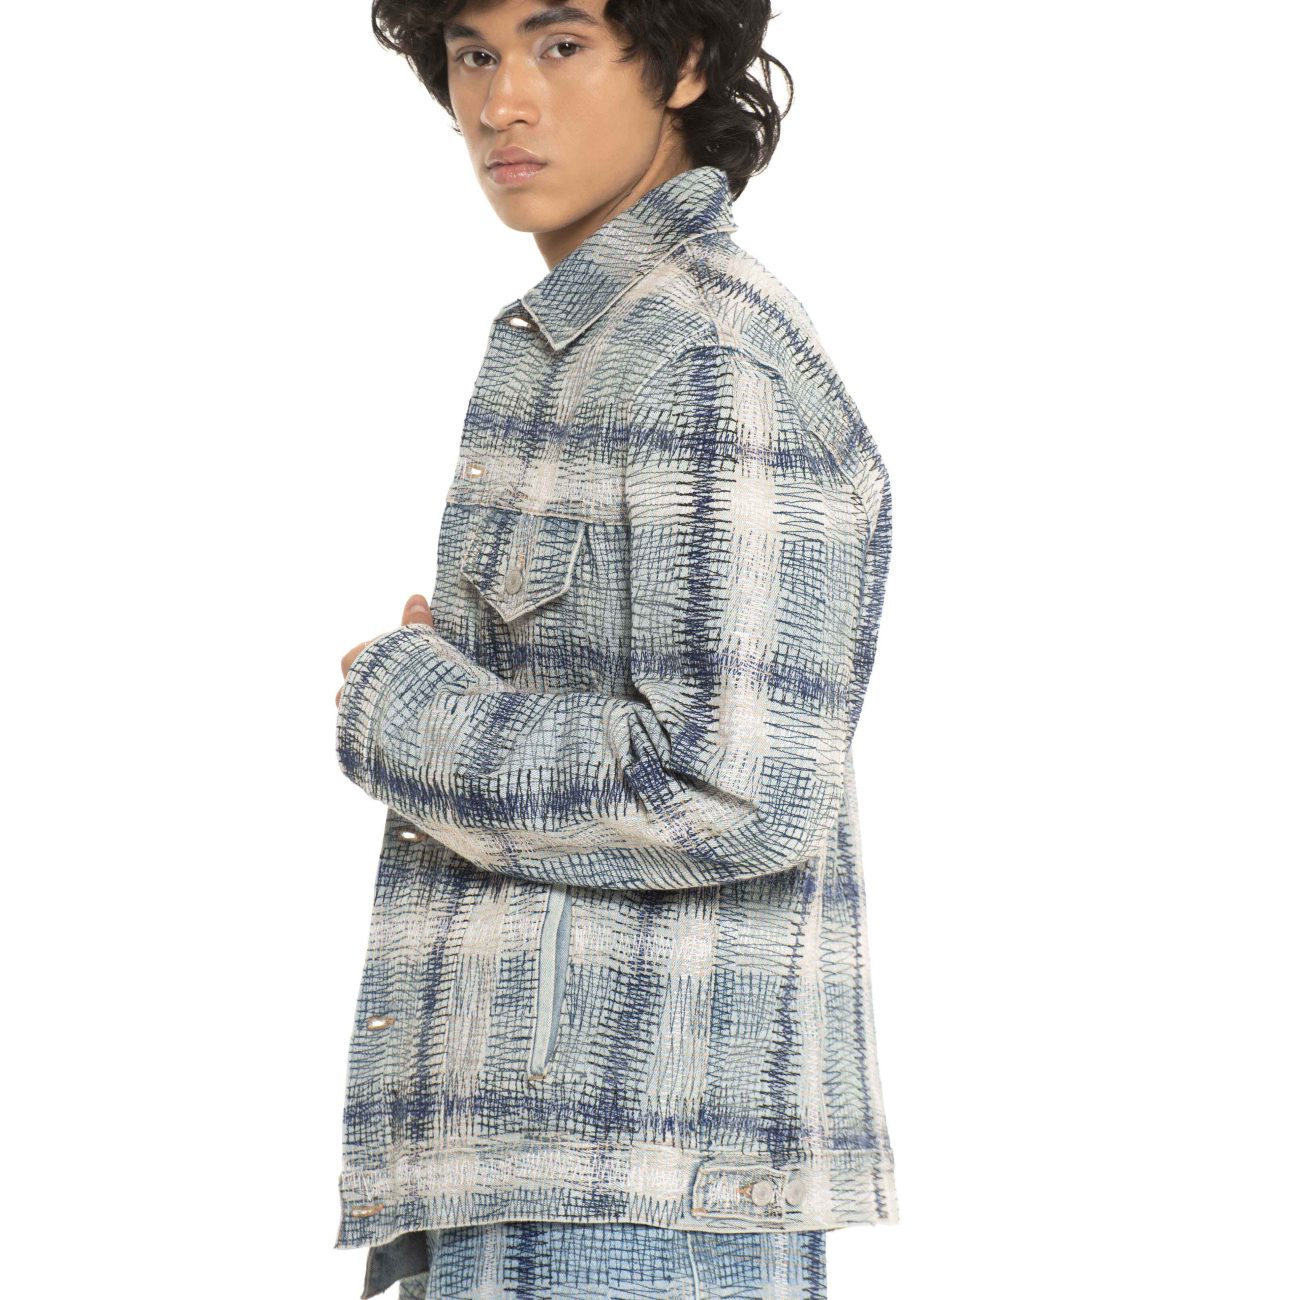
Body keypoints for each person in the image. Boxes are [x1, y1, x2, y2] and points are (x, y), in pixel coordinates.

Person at [333, 1, 899, 1295]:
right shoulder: (591, 347)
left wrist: (407, 709)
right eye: (473, 54)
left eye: (561, 45)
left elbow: (739, 785)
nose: (502, 102)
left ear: (685, 62)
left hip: (635, 1201)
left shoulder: (705, 356)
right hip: (539, 1169)